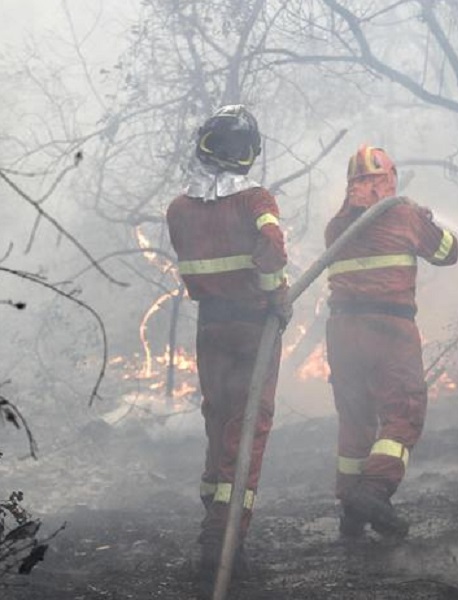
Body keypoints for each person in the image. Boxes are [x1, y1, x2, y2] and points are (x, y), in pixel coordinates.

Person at [165, 105, 292, 587]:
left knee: (218, 422)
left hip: (210, 328)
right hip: (252, 328)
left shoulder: (179, 209)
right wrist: (276, 293)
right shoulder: (256, 199)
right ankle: (226, 539)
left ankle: (211, 529)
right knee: (248, 429)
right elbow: (272, 250)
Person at [324, 144, 458, 539]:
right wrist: (427, 220)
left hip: (342, 332)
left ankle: (351, 509)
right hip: (388, 327)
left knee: (355, 421)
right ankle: (374, 491)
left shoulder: (336, 228)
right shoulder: (405, 215)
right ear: (389, 181)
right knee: (403, 412)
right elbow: (448, 253)